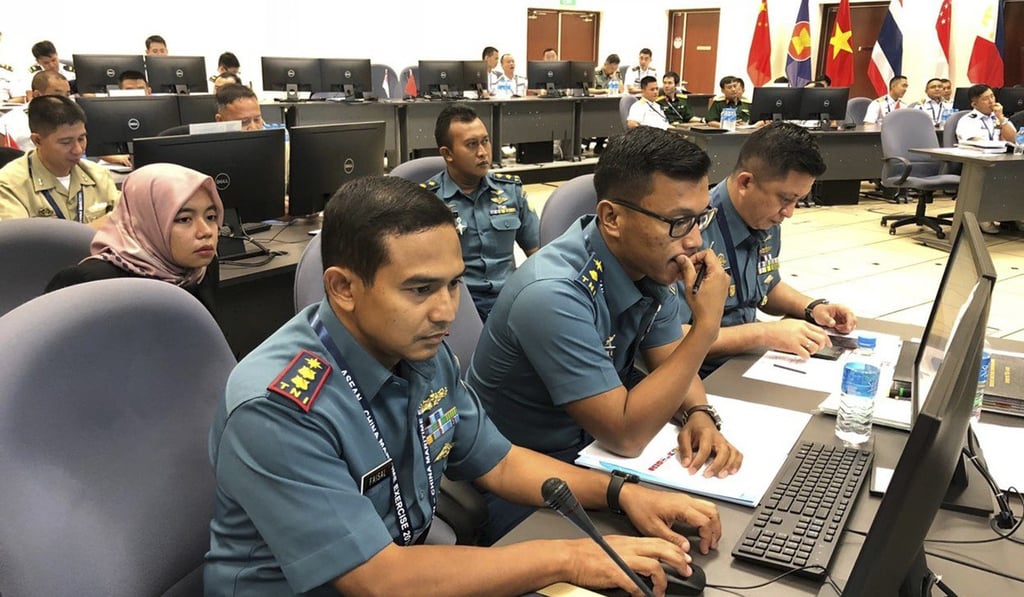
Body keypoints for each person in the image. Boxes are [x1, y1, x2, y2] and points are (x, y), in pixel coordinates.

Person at [204, 175, 722, 596]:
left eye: (454, 284)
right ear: (342, 288)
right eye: (420, 289)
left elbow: (500, 462)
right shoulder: (277, 408)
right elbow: (378, 580)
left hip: (413, 564)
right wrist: (570, 557)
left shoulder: (417, 347)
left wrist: (621, 494)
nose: (447, 311)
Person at [467, 127, 742, 542]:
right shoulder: (553, 293)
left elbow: (670, 360)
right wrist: (705, 326)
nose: (695, 240)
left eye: (701, 218)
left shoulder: (649, 262)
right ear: (612, 218)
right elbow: (626, 434)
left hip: (597, 457)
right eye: (678, 222)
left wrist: (700, 414)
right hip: (525, 479)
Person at [674, 122, 856, 377]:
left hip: (748, 359)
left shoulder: (764, 216)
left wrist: (811, 307)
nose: (789, 213)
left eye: (798, 200)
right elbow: (670, 340)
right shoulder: (691, 234)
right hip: (700, 373)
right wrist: (763, 334)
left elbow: (766, 285)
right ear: (746, 182)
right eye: (785, 199)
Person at [46, 163, 221, 314]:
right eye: (184, 219)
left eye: (211, 217)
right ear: (147, 221)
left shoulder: (201, 269)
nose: (205, 231)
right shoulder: (90, 282)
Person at [422, 104, 539, 320]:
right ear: (447, 154)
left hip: (511, 301)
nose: (483, 153)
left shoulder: (510, 191)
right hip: (459, 308)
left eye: (485, 141)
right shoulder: (428, 202)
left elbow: (538, 253)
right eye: (471, 145)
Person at [0, 95, 118, 226]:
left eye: (81, 139)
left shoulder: (98, 175)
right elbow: (20, 242)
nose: (78, 150)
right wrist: (99, 227)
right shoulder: (9, 185)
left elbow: (127, 223)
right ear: (37, 141)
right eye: (66, 142)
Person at [955, 84, 1018, 234]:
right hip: (975, 163)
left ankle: (1013, 216)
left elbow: (1013, 138)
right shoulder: (968, 120)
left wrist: (1001, 118)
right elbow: (974, 141)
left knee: (1017, 175)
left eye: (992, 96)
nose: (991, 101)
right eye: (985, 99)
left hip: (1000, 160)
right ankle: (982, 217)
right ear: (974, 104)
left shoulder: (997, 118)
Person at [0, 70, 70, 152]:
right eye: (58, 95)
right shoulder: (9, 123)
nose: (64, 101)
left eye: (67, 95)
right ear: (37, 95)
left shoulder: (73, 117)